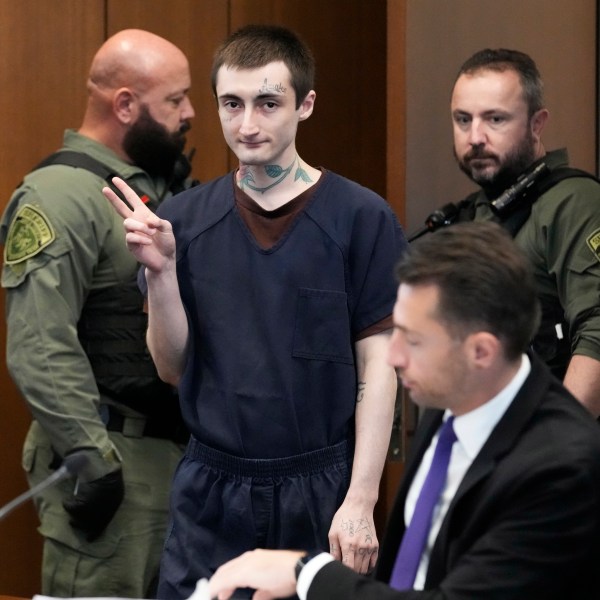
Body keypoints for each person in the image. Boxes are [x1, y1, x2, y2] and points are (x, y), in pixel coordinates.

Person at [103, 24, 406, 599]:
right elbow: (170, 369)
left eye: (268, 103)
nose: (248, 125)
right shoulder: (184, 220)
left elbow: (379, 365)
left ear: (305, 104)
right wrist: (163, 274)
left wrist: (361, 500)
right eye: (232, 104)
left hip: (319, 487)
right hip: (210, 488)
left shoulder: (360, 218)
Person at [207, 221, 600, 600]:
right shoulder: (449, 396)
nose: (393, 357)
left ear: (481, 351)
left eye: (412, 341)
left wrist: (305, 572)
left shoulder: (561, 469)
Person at [0, 29, 196, 598]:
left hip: (172, 455)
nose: (190, 114)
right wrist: (93, 460)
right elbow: (38, 342)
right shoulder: (60, 196)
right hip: (113, 458)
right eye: (175, 100)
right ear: (126, 105)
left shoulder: (152, 186)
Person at [446, 48, 600, 415]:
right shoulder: (476, 213)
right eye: (463, 120)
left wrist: (551, 448)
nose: (475, 137)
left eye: (495, 119)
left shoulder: (573, 202)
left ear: (537, 124)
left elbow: (597, 331)